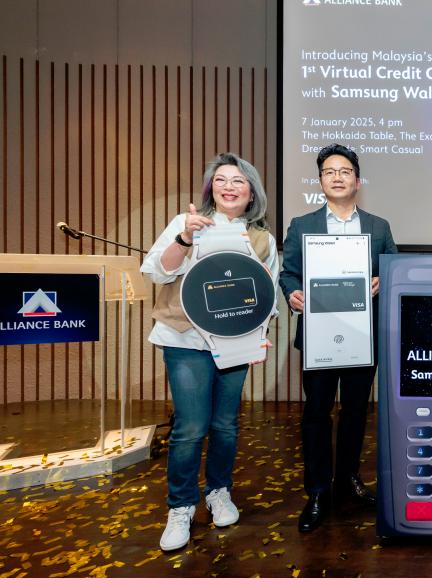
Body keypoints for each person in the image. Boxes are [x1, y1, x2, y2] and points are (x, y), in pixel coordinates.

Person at [142, 153, 278, 552]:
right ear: (210, 189)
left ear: (251, 191)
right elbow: (156, 272)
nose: (229, 186)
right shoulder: (187, 225)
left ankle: (218, 491)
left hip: (236, 344)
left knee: (225, 426)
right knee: (189, 428)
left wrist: (260, 339)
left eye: (238, 180)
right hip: (185, 340)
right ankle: (181, 506)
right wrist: (184, 238)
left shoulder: (262, 238)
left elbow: (264, 297)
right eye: (221, 179)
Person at [279, 143, 398, 533]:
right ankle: (317, 490)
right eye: (329, 171)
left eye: (344, 170)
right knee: (316, 414)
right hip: (319, 336)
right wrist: (293, 293)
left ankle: (347, 480)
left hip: (363, 337)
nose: (337, 176)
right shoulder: (302, 225)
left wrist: (386, 279)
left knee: (354, 413)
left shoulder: (378, 227)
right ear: (320, 181)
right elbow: (289, 273)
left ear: (357, 181)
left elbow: (393, 268)